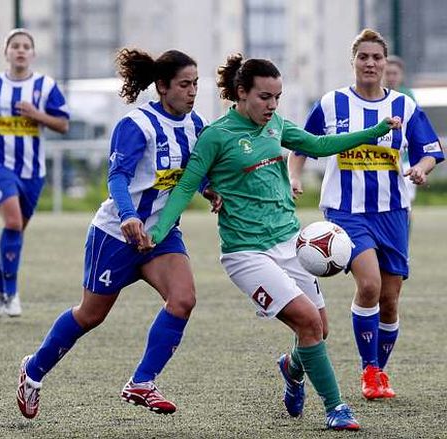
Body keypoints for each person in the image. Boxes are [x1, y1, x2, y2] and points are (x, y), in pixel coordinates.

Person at [142, 53, 402, 431]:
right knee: (309, 322)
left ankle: (291, 368)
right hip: (247, 253)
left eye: (277, 97)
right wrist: (158, 231)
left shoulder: (276, 124)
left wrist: (374, 131)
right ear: (241, 93)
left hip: (291, 244)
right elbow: (184, 188)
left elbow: (319, 144)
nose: (272, 105)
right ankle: (336, 407)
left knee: (319, 330)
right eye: (264, 97)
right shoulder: (215, 136)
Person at [15, 48, 216, 419]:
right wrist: (127, 216)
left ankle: (142, 381)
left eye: (195, 85)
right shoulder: (136, 124)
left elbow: (194, 173)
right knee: (90, 315)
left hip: (161, 235)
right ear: (162, 86)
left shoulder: (196, 125)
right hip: (115, 235)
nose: (191, 92)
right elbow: (118, 178)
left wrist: (210, 190)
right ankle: (33, 371)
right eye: (185, 85)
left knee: (183, 299)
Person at [288, 29, 444, 401]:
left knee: (390, 299)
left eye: (377, 58)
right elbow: (301, 145)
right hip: (346, 212)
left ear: (385, 63)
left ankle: (379, 371)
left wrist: (421, 168)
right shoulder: (331, 103)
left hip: (392, 211)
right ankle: (369, 371)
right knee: (370, 285)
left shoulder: (403, 107)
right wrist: (294, 175)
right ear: (353, 62)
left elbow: (430, 149)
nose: (371, 63)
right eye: (364, 57)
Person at [0, 28, 69, 317]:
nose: (21, 50)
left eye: (26, 46)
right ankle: (9, 294)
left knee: (17, 230)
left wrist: (36, 114)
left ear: (33, 54)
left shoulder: (46, 86)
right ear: (6, 52)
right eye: (15, 46)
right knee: (12, 223)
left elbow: (63, 124)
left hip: (32, 170)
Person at [383, 55, 417, 203]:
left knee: (405, 202)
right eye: (388, 73)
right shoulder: (375, 95)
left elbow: (415, 126)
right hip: (382, 157)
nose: (391, 77)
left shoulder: (407, 96)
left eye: (394, 73)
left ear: (401, 75)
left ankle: (405, 226)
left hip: (404, 158)